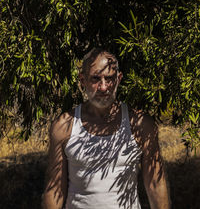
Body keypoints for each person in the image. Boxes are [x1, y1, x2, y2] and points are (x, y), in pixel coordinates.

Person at [42, 48, 171, 209]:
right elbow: (54, 188)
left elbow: (155, 183)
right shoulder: (64, 126)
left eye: (109, 79)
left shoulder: (140, 124)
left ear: (118, 79)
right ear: (82, 80)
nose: (103, 87)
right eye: (96, 79)